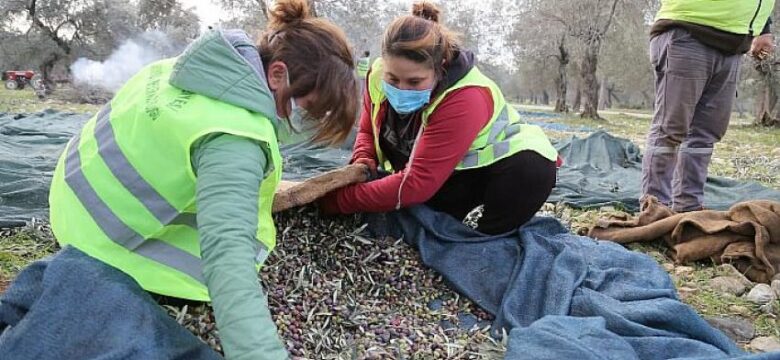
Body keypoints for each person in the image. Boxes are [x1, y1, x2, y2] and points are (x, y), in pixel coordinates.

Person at [17, 0, 357, 358]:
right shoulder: (234, 138)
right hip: (97, 246)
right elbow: (228, 260)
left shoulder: (181, 71)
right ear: (277, 75)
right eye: (311, 107)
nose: (309, 119)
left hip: (70, 198)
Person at [321, 2, 558, 235]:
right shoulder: (376, 75)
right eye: (393, 79)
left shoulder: (465, 97)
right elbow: (366, 132)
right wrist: (363, 160)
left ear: (440, 68)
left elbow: (416, 184)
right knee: (421, 215)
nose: (402, 89)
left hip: (507, 169)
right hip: (449, 172)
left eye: (414, 82)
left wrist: (339, 201)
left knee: (527, 173)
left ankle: (487, 240)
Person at [642, 0, 775, 212]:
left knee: (705, 134)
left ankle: (688, 208)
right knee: (670, 129)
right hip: (688, 31)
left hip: (733, 45)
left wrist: (764, 27)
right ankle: (655, 209)